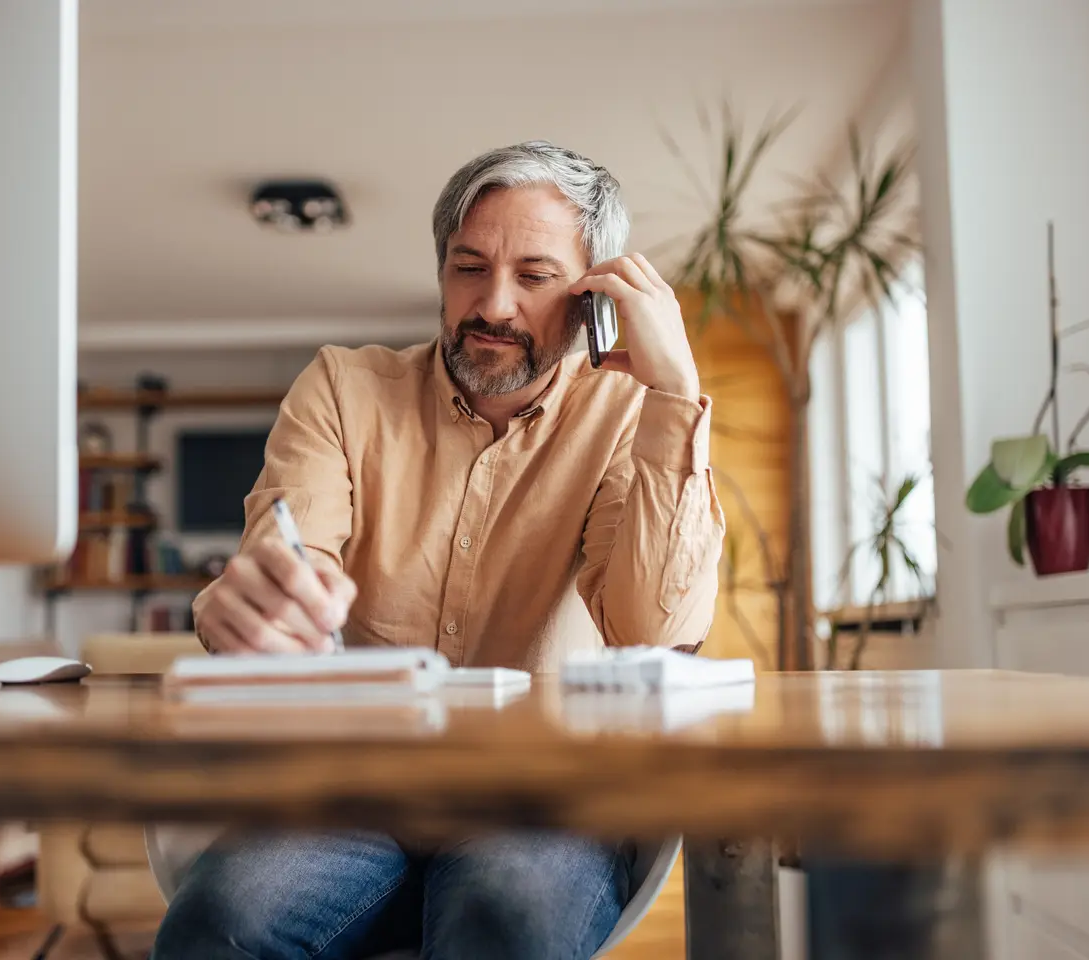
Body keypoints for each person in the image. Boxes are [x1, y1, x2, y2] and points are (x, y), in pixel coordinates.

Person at [152, 141, 725, 960]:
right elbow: (293, 552)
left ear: (595, 292)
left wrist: (673, 391)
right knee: (220, 925)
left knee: (506, 921)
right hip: (353, 792)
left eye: (534, 277)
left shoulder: (628, 416)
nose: (492, 304)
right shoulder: (343, 390)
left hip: (539, 800)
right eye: (468, 267)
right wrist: (269, 606)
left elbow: (655, 630)